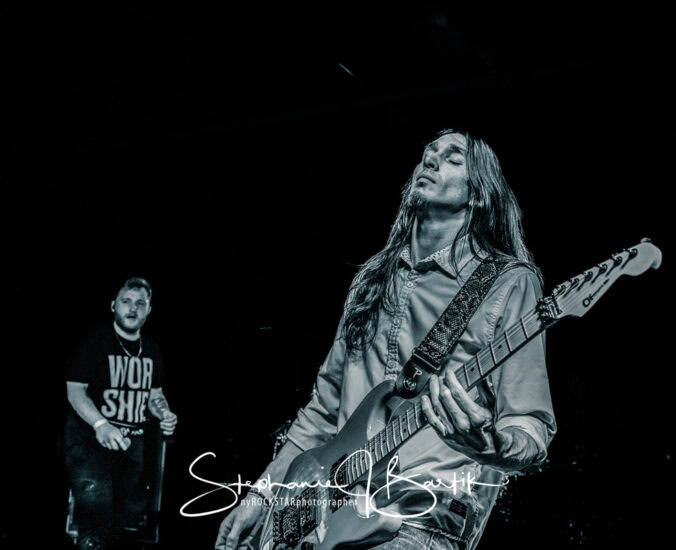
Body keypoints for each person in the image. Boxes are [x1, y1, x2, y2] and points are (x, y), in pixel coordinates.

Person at [216, 129, 556, 550]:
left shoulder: (507, 284)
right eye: (428, 153)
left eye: (453, 158)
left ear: (479, 194)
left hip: (420, 522)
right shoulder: (372, 281)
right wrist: (263, 495)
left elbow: (529, 425)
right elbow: (322, 413)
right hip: (333, 521)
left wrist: (489, 445)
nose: (430, 160)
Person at [64, 277, 178, 550]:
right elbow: (75, 391)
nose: (133, 308)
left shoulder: (152, 348)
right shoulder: (95, 341)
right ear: (114, 305)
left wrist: (164, 413)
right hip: (90, 446)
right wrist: (100, 424)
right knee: (95, 521)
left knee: (123, 523)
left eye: (140, 303)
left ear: (149, 310)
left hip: (131, 449)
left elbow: (154, 396)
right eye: (126, 301)